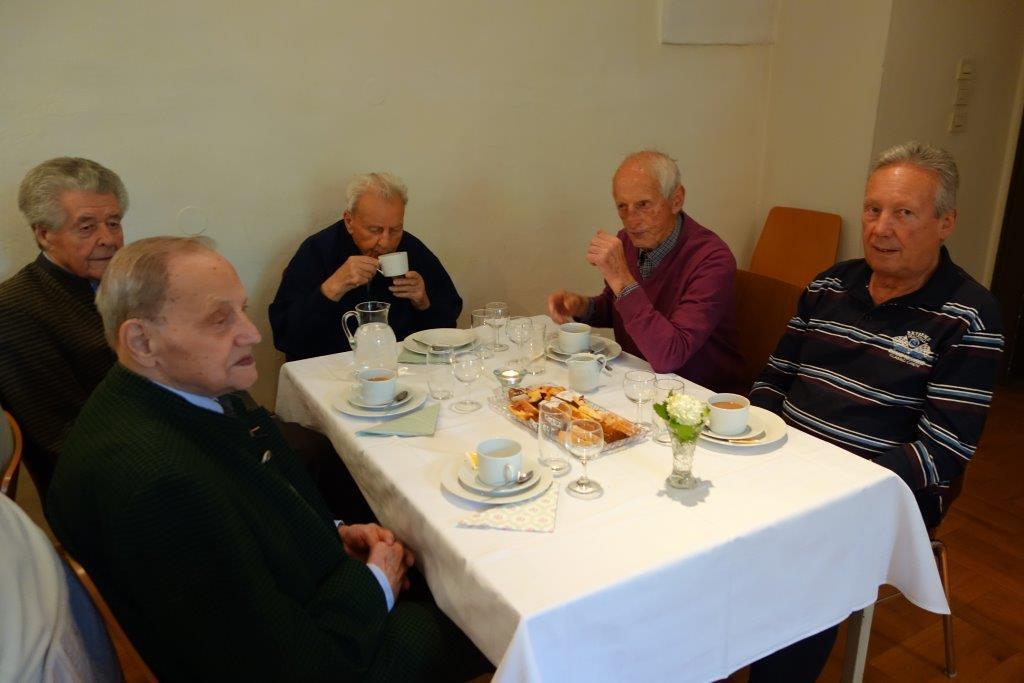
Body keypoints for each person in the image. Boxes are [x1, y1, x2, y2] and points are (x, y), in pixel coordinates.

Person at [47, 237, 486, 681]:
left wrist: (332, 532)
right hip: (325, 657)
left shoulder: (183, 395)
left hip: (302, 595)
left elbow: (252, 502)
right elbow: (289, 665)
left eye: (242, 310)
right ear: (141, 341)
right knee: (480, 615)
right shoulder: (159, 483)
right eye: (220, 319)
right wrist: (375, 585)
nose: (252, 333)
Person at [746, 142, 1004, 682]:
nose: (881, 228)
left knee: (802, 569)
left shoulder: (969, 316)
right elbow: (774, 380)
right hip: (784, 466)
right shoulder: (829, 284)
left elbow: (942, 451)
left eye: (904, 213)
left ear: (946, 223)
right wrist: (755, 444)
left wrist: (836, 484)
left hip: (877, 493)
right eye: (872, 209)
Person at [547, 150, 744, 392]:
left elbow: (670, 354)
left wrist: (621, 278)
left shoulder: (711, 258)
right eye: (623, 207)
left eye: (643, 205)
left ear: (676, 200)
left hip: (698, 395)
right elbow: (620, 308)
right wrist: (581, 306)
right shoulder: (628, 241)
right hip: (641, 380)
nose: (631, 220)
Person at [0, 157, 126, 496]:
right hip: (102, 485)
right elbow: (63, 437)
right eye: (86, 227)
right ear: (44, 234)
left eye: (113, 223)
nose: (108, 239)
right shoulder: (13, 310)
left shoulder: (130, 283)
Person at [269, 172, 462, 360]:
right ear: (349, 221)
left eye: (395, 229)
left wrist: (423, 303)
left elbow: (448, 326)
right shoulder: (317, 251)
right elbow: (285, 336)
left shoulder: (412, 248)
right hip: (331, 368)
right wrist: (332, 287)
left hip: (401, 366)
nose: (386, 242)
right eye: (375, 230)